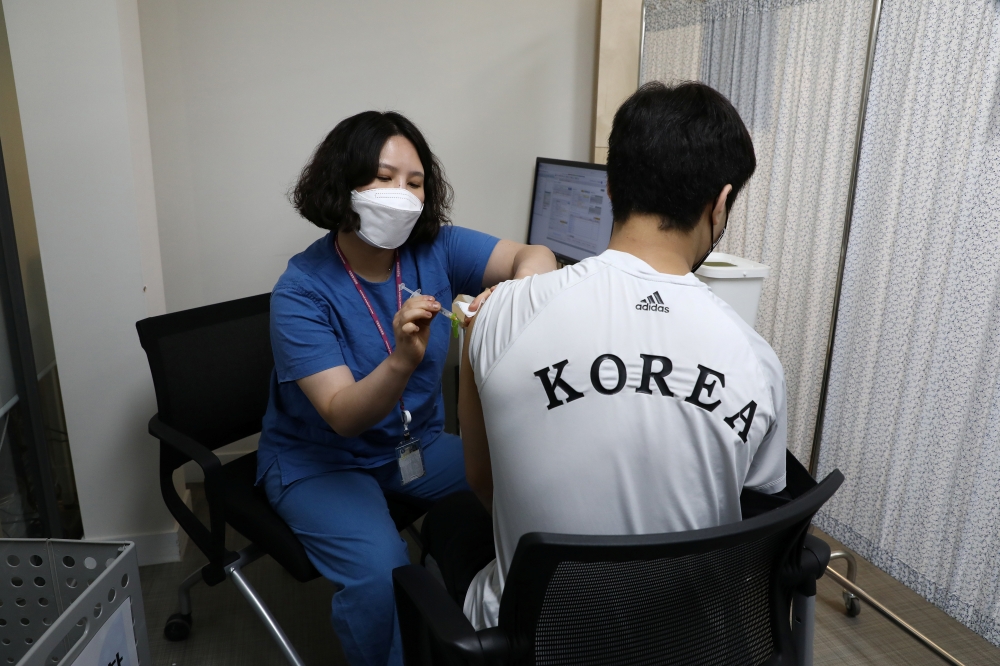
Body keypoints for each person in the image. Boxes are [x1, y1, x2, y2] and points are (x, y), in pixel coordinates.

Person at [421, 81, 788, 629]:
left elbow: (484, 481)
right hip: (687, 641)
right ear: (720, 203)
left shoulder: (494, 316)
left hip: (533, 637)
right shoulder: (758, 362)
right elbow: (751, 524)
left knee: (450, 524)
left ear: (610, 187)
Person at [256, 110, 556, 666]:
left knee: (529, 487)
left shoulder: (435, 249)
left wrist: (514, 293)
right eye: (383, 178)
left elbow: (532, 255)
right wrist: (401, 360)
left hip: (411, 446)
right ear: (342, 184)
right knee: (381, 574)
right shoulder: (300, 290)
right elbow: (343, 414)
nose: (402, 194)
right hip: (322, 462)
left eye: (414, 182)